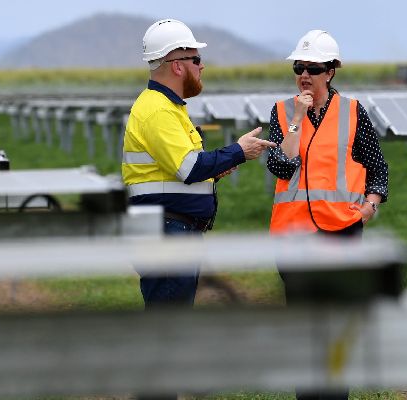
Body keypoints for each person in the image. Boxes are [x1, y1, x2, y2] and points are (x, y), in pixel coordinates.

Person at [267, 30, 389, 400]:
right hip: (294, 237)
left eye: (313, 68)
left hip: (342, 233)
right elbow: (280, 165)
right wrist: (297, 119)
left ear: (331, 71)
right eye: (298, 67)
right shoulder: (283, 111)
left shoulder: (353, 112)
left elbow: (377, 168)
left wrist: (370, 206)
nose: (304, 75)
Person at [122, 18, 275, 309]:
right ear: (177, 65)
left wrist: (214, 172)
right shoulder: (158, 110)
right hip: (166, 233)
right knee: (170, 327)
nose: (202, 66)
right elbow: (189, 168)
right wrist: (238, 151)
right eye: (196, 59)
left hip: (169, 230)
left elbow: (176, 171)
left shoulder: (168, 107)